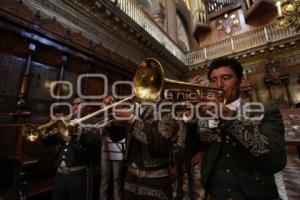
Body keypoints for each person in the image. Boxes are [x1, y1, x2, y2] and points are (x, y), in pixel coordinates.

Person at [189, 57, 287, 200]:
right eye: (213, 80)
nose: (218, 85)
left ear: (240, 81)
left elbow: (275, 161)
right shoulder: (204, 116)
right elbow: (186, 150)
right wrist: (189, 116)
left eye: (226, 78)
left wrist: (229, 116)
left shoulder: (265, 113)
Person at [111, 99, 187, 200]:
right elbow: (117, 136)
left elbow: (162, 145)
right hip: (131, 178)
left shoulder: (165, 106)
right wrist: (112, 120)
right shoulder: (132, 106)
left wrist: (132, 120)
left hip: (154, 180)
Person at [41, 96, 99, 200]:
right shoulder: (64, 122)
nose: (75, 107)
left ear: (87, 107)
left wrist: (71, 131)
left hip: (79, 176)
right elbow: (47, 143)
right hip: (59, 175)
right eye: (73, 104)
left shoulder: (93, 122)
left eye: (79, 104)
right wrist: (49, 126)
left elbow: (92, 145)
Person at [99, 95, 122, 200]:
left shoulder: (119, 116)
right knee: (105, 177)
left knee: (116, 177)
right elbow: (100, 132)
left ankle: (117, 198)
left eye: (111, 101)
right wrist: (105, 113)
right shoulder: (102, 116)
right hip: (105, 147)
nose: (109, 104)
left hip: (117, 146)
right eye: (107, 102)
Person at [173, 108, 196, 200]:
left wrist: (183, 119)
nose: (183, 112)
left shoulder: (193, 122)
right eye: (182, 111)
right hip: (177, 150)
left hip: (187, 151)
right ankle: (179, 194)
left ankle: (192, 194)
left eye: (187, 110)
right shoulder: (176, 121)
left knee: (190, 174)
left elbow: (191, 127)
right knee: (179, 174)